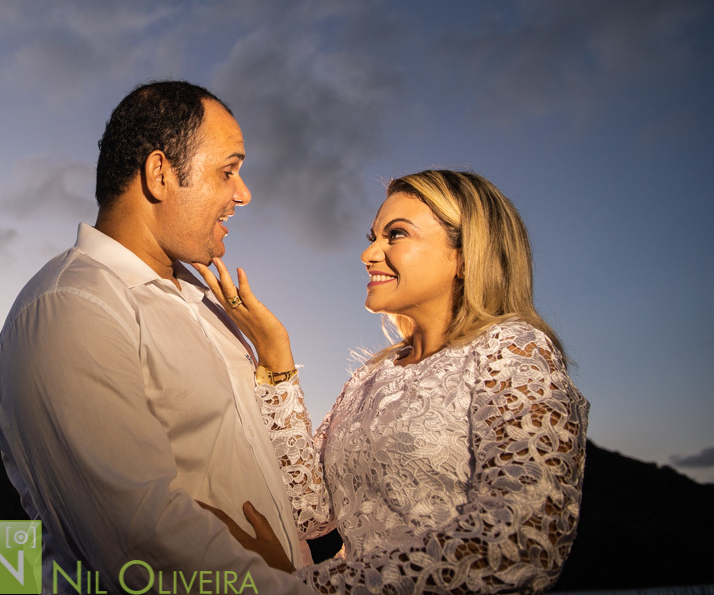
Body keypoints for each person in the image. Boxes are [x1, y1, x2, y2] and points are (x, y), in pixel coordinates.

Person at [0, 81, 311, 594]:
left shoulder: (205, 303)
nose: (243, 193)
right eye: (228, 170)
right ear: (160, 173)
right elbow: (140, 539)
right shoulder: (69, 305)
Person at [197, 169, 589, 594]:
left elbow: (523, 543)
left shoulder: (513, 350)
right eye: (373, 236)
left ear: (464, 255)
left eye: (396, 235)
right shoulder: (373, 376)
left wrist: (308, 588)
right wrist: (276, 356)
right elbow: (311, 513)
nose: (368, 253)